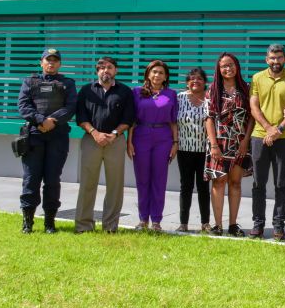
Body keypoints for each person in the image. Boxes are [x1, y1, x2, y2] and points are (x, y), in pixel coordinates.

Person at [16, 48, 77, 234]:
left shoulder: (67, 83)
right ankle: (28, 222)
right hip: (34, 136)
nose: (51, 63)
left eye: (55, 60)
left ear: (60, 64)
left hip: (57, 137)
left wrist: (53, 121)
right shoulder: (30, 81)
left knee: (52, 180)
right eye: (47, 60)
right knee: (30, 179)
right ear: (41, 62)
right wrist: (41, 120)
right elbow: (23, 105)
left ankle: (49, 223)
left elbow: (71, 106)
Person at [249, 43, 285, 241]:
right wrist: (268, 128)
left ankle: (279, 225)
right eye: (272, 58)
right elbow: (254, 107)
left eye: (279, 58)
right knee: (258, 183)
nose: (275, 61)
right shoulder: (257, 78)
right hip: (259, 136)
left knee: (281, 183)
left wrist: (278, 130)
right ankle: (258, 224)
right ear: (266, 59)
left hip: (284, 139)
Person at [75, 56, 135, 233]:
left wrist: (114, 134)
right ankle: (83, 226)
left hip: (115, 142)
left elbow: (129, 118)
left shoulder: (125, 91)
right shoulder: (86, 90)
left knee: (115, 186)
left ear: (115, 70)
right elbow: (80, 117)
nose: (105, 70)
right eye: (101, 67)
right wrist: (95, 133)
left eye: (109, 67)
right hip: (91, 140)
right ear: (97, 71)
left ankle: (110, 226)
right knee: (87, 184)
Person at [205, 53, 254, 237]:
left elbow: (251, 118)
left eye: (231, 65)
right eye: (224, 66)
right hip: (219, 142)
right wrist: (213, 145)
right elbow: (208, 118)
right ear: (218, 68)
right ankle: (218, 225)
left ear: (237, 66)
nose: (228, 68)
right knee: (218, 182)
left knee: (235, 182)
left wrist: (245, 141)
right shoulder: (213, 89)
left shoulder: (246, 88)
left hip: (239, 143)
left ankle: (233, 225)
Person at [126, 60, 178, 232]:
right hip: (141, 136)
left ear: (166, 77)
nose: (157, 75)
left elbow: (173, 122)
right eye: (154, 72)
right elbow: (132, 121)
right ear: (148, 74)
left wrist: (175, 143)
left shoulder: (171, 94)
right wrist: (129, 142)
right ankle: (143, 219)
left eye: (161, 73)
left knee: (159, 180)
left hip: (163, 138)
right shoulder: (137, 92)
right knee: (142, 179)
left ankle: (156, 220)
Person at [174, 67, 211, 233]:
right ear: (187, 82)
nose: (195, 81)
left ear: (205, 82)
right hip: (184, 149)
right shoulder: (179, 98)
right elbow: (173, 122)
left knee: (203, 186)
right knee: (186, 186)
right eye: (192, 79)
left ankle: (205, 223)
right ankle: (183, 223)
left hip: (205, 150)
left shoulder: (210, 98)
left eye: (199, 78)